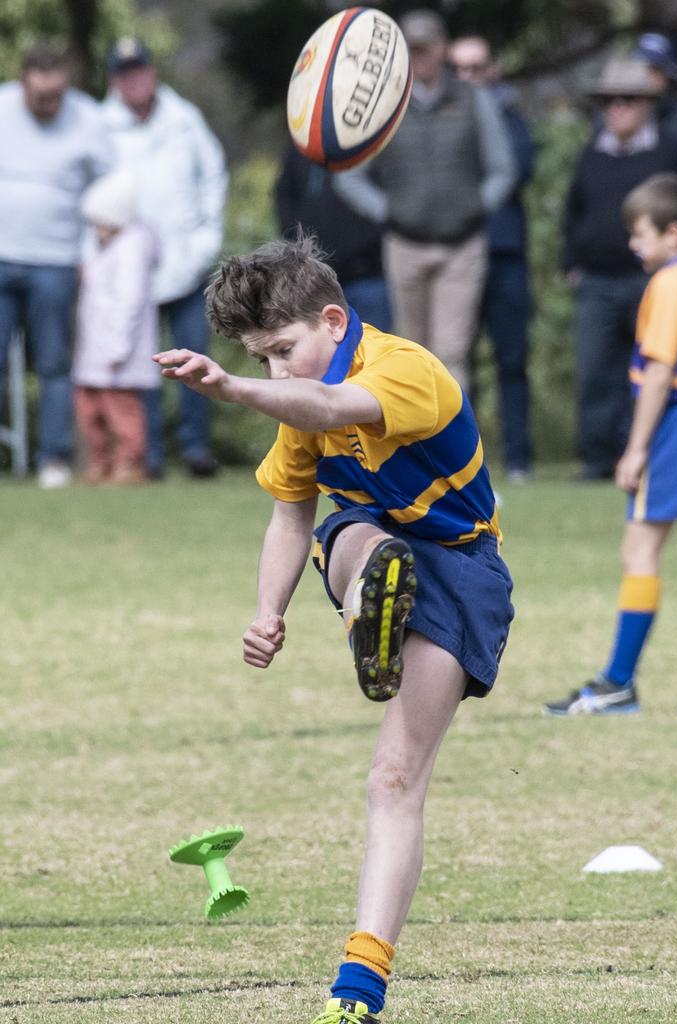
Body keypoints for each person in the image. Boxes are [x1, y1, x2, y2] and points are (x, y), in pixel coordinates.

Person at [153, 236, 514, 1024]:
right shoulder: (298, 396)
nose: (279, 371)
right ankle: (374, 596)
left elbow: (326, 407)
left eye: (283, 350)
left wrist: (237, 389)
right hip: (372, 541)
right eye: (262, 358)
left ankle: (359, 988)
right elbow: (291, 514)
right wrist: (266, 612)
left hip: (464, 574)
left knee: (394, 776)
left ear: (333, 319)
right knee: (352, 531)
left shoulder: (403, 369)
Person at [546, 174, 677, 716]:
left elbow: (660, 371)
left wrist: (637, 448)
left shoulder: (669, 285)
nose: (633, 245)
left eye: (640, 234)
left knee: (639, 550)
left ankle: (618, 683)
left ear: (673, 232)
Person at [335, 8, 513, 392]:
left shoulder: (473, 98)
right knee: (410, 352)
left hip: (462, 246)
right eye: (412, 49)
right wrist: (387, 211)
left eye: (426, 48)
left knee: (452, 353)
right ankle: (416, 446)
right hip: (404, 244)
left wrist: (476, 206)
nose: (420, 56)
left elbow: (502, 169)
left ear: (442, 48)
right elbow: (349, 176)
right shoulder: (381, 104)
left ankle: (455, 448)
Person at [563, 55, 677, 481]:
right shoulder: (592, 153)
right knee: (594, 371)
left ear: (647, 104)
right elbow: (573, 213)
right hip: (598, 280)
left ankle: (652, 456)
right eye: (609, 101)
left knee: (653, 370)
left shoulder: (670, 151)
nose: (617, 108)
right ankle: (597, 461)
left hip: (655, 280)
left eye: (628, 100)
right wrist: (570, 263)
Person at [101, 37, 228, 479]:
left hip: (185, 262)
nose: (133, 80)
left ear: (152, 73)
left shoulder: (184, 119)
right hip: (130, 271)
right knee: (140, 368)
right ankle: (148, 455)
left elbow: (213, 176)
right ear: (114, 81)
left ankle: (196, 451)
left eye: (139, 71)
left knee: (193, 361)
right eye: (124, 73)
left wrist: (206, 239)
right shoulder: (103, 125)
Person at [0, 44, 113, 488]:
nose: (49, 105)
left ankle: (54, 458)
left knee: (52, 363)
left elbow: (109, 187)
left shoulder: (87, 117)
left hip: (57, 260)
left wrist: (90, 249)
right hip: (2, 255)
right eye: (40, 96)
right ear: (23, 82)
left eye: (56, 96)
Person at [450, 34, 535, 482]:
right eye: (459, 69)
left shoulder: (508, 116)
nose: (468, 77)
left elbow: (521, 166)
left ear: (492, 69)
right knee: (454, 360)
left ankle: (519, 459)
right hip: (452, 251)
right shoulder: (440, 118)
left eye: (476, 67)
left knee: (512, 360)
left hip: (503, 254)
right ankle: (463, 461)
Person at [73, 171, 159, 484]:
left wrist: (117, 348)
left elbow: (129, 302)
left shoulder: (132, 248)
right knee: (89, 410)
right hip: (93, 350)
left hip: (117, 352)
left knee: (122, 413)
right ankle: (100, 463)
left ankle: (128, 465)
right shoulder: (106, 248)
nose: (96, 231)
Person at [275, 146, 392, 332]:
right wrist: (296, 243)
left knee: (372, 353)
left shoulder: (372, 141)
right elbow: (285, 195)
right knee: (322, 357)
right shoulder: (304, 146)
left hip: (368, 272)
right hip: (313, 278)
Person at [632, 33, 677, 168]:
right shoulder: (614, 113)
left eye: (654, 70)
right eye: (639, 67)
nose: (644, 76)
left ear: (669, 76)